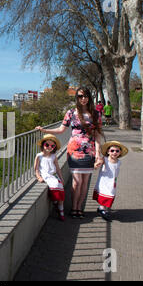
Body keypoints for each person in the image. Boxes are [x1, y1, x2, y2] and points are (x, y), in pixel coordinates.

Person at [36, 87, 103, 219]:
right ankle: (73, 207)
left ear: (89, 97)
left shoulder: (96, 114)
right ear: (76, 98)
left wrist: (99, 155)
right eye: (80, 96)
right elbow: (62, 129)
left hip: (89, 151)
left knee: (84, 182)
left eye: (85, 96)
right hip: (74, 151)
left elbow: (98, 135)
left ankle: (79, 208)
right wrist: (44, 131)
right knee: (76, 181)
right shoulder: (71, 113)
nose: (83, 99)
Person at [93, 141, 128, 222]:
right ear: (108, 152)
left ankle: (101, 208)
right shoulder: (105, 159)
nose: (114, 153)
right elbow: (97, 164)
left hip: (112, 182)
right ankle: (102, 209)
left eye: (117, 151)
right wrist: (97, 164)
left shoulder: (119, 162)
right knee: (106, 194)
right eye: (112, 151)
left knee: (111, 194)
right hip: (104, 181)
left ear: (120, 152)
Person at [34, 134, 66, 221]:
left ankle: (60, 208)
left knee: (60, 187)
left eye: (52, 146)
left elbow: (57, 168)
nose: (49, 147)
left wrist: (61, 177)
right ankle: (56, 202)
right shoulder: (39, 156)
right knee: (54, 186)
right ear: (43, 145)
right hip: (45, 175)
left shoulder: (53, 156)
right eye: (47, 145)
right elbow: (36, 169)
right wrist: (39, 177)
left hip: (53, 175)